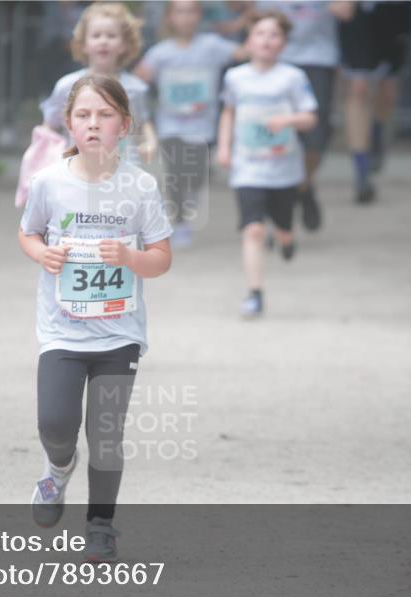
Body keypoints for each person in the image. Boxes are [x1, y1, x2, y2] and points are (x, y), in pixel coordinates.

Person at [18, 74, 172, 562]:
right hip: (62, 329)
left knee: (106, 434)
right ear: (68, 124)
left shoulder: (140, 187)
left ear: (124, 125)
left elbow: (162, 257)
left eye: (105, 115)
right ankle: (58, 468)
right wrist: (43, 254)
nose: (93, 124)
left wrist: (129, 258)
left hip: (119, 331)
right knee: (56, 423)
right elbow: (28, 234)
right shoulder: (48, 182)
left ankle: (101, 524)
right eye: (83, 115)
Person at [217, 10, 317, 318]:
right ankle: (255, 293)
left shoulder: (293, 77)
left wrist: (288, 119)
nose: (267, 40)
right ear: (248, 40)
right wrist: (224, 147)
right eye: (260, 33)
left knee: (282, 228)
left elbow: (310, 118)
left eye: (274, 35)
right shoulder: (235, 77)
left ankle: (287, 238)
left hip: (284, 169)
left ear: (284, 43)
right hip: (248, 168)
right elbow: (228, 113)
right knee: (254, 231)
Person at [135, 0, 245, 248]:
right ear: (169, 18)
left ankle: (189, 197)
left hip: (202, 126)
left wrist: (247, 19)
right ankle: (180, 221)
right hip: (170, 124)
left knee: (195, 175)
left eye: (191, 11)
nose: (185, 17)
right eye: (179, 12)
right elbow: (139, 78)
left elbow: (244, 52)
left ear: (199, 16)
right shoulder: (160, 52)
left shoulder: (213, 46)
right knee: (174, 173)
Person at [259, 0, 345, 230]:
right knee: (276, 137)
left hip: (318, 61)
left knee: (315, 139)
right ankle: (277, 210)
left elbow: (345, 11)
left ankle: (304, 186)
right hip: (276, 61)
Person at [40, 2, 158, 165]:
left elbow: (143, 122)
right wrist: (45, 153)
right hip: (77, 173)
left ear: (124, 44)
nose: (104, 41)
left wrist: (150, 143)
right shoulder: (66, 86)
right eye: (96, 35)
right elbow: (49, 125)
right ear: (84, 44)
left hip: (123, 171)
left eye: (111, 36)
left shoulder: (136, 88)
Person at [337, 0, 411, 203]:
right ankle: (361, 171)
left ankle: (376, 134)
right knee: (358, 91)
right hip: (359, 17)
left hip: (393, 14)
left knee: (387, 92)